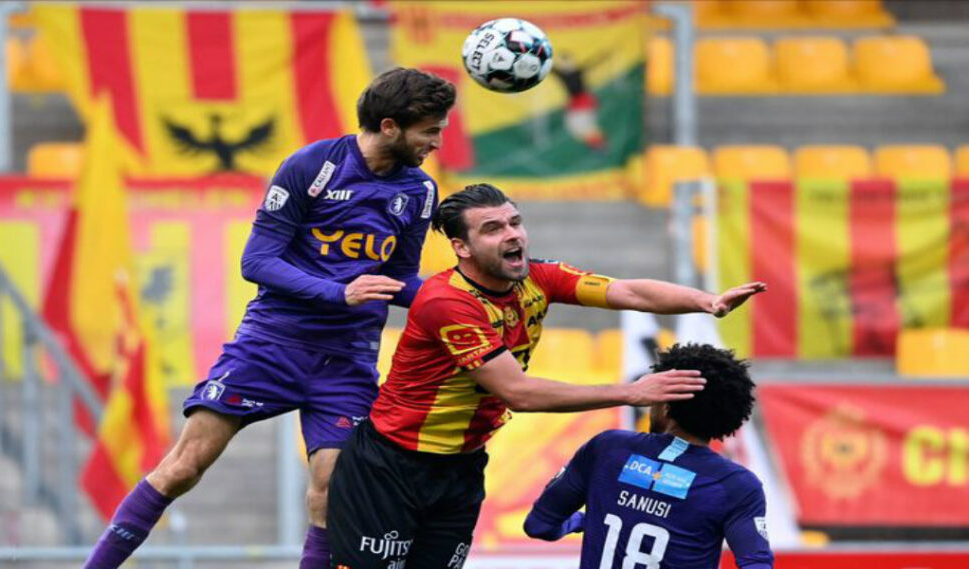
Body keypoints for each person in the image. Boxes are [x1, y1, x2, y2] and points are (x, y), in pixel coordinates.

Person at [82, 67, 456, 569]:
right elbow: (257, 262)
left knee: (332, 491)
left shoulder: (420, 192)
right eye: (429, 131)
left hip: (346, 361)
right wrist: (339, 291)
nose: (437, 142)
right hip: (272, 344)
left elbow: (398, 278)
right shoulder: (313, 167)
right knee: (183, 468)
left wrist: (461, 298)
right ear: (390, 126)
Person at [325, 183, 767, 568]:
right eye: (493, 228)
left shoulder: (539, 277)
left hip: (462, 465)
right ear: (462, 247)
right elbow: (517, 393)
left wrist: (705, 301)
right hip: (393, 464)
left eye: (515, 222)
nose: (512, 234)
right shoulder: (447, 301)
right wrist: (630, 392)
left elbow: (628, 291)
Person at [523, 343, 774, 569]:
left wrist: (582, 521)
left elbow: (539, 525)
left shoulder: (608, 448)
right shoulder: (736, 485)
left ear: (665, 405)